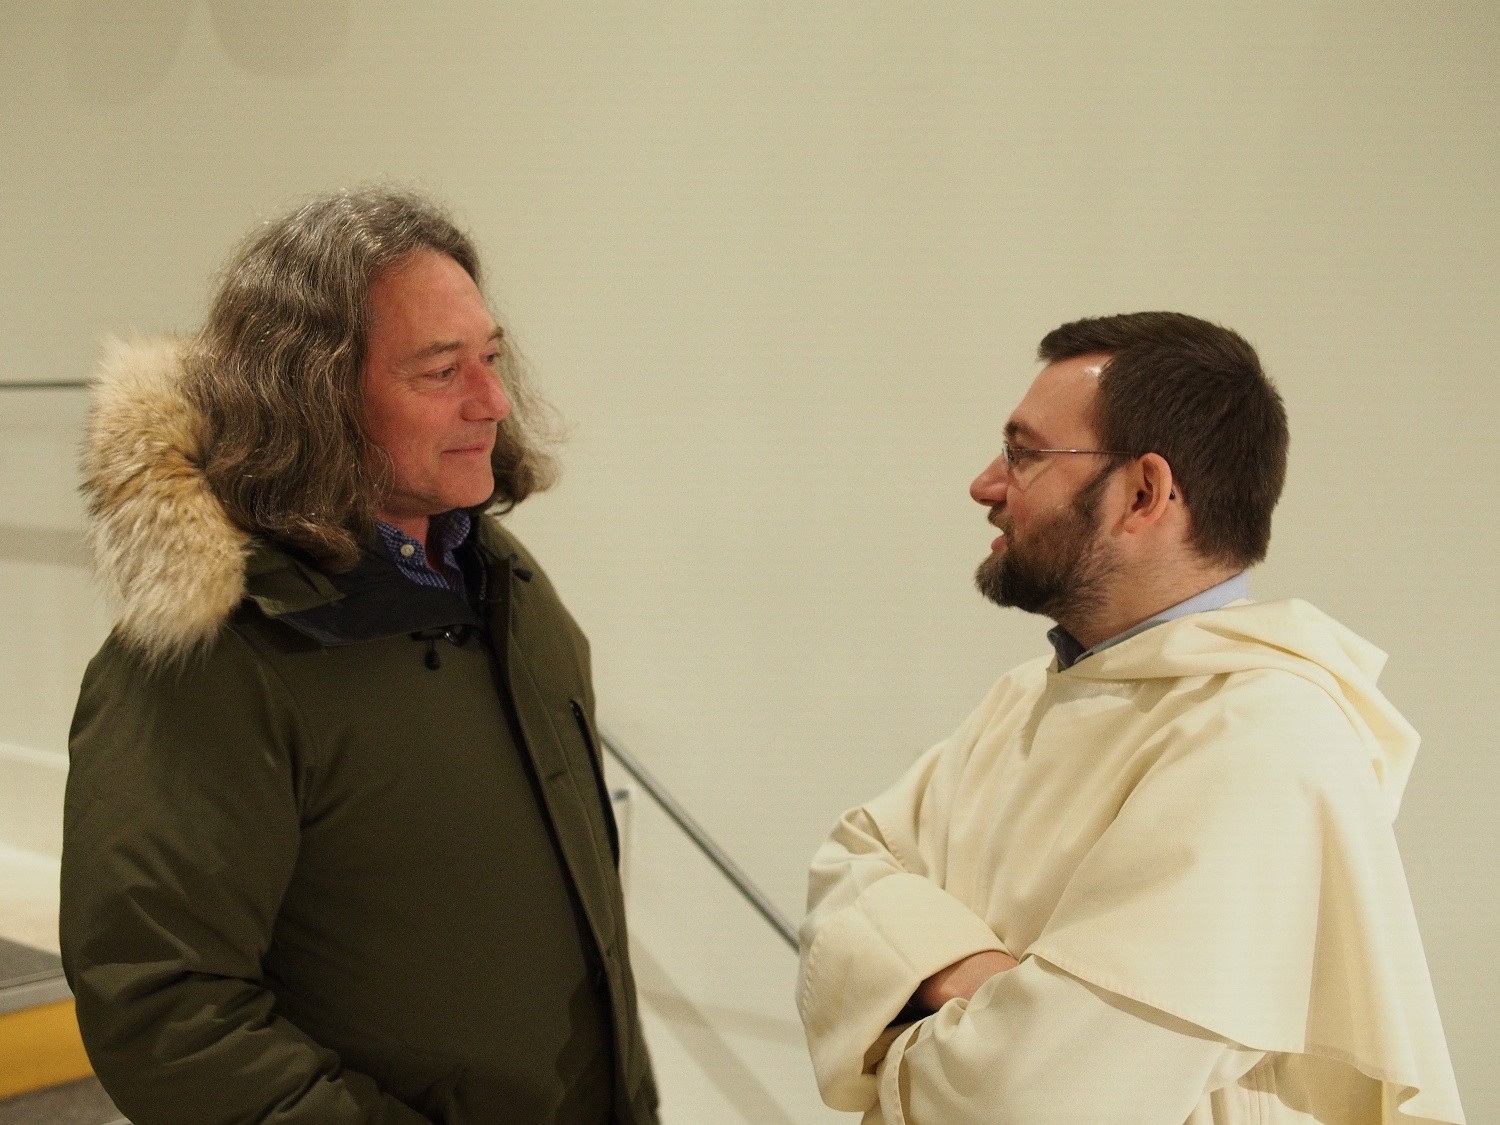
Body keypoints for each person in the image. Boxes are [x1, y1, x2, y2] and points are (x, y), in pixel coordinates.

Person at [61, 187, 658, 1124]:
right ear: (317, 397)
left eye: (491, 357)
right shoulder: (215, 659)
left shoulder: (504, 581)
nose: (493, 400)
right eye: (441, 371)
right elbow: (166, 1010)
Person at [797, 312, 1464, 1124]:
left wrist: (899, 996)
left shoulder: (1264, 740)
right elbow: (848, 866)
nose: (986, 484)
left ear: (1143, 492)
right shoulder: (1025, 699)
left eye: (1022, 454)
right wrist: (962, 971)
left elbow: (1033, 1094)